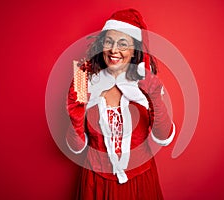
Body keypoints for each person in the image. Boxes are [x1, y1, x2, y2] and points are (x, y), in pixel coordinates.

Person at [66, 8, 176, 200]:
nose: (114, 50)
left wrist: (155, 97)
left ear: (135, 49)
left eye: (123, 43)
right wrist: (75, 113)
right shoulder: (85, 79)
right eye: (109, 41)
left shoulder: (146, 80)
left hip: (139, 183)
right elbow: (76, 147)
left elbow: (163, 136)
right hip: (95, 183)